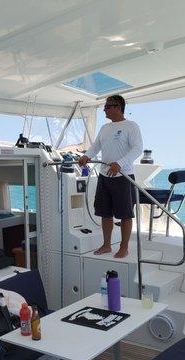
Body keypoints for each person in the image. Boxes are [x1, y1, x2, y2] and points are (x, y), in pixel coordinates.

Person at [79, 95, 143, 258]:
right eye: (105, 107)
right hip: (104, 175)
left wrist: (120, 163)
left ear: (117, 107)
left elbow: (137, 149)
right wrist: (86, 156)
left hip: (123, 176)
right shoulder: (104, 128)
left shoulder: (131, 126)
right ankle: (106, 245)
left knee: (125, 214)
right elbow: (96, 146)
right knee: (104, 212)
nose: (105, 110)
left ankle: (124, 247)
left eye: (107, 107)